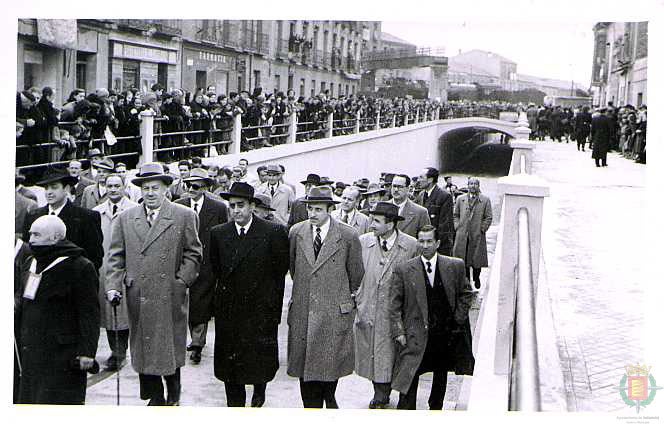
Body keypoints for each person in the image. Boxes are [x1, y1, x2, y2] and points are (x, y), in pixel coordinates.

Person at [105, 162, 203, 406]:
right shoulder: (126, 218)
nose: (150, 193)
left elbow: (194, 253)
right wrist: (113, 286)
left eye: (155, 188)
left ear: (166, 189)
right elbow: (116, 256)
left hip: (169, 293)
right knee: (142, 344)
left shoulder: (184, 216)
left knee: (168, 344)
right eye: (145, 188)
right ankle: (154, 395)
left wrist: (181, 281)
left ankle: (173, 391)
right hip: (138, 293)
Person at [210, 182, 289, 407]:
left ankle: (259, 390)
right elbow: (217, 270)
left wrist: (272, 310)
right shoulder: (219, 233)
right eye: (232, 206)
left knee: (257, 363)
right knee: (231, 369)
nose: (236, 210)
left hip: (259, 310)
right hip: (230, 311)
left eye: (241, 205)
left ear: (252, 206)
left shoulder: (272, 232)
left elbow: (279, 273)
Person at [288, 186, 365, 408]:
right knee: (305, 368)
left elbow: (356, 274)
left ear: (330, 209)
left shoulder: (347, 235)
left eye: (318, 209)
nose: (312, 214)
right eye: (310, 208)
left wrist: (339, 297)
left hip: (333, 311)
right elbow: (295, 270)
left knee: (329, 369)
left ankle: (329, 403)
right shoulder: (297, 232)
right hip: (304, 309)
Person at [15, 215, 100, 404]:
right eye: (30, 234)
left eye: (37, 235)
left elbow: (89, 313)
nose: (31, 240)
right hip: (31, 351)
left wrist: (87, 352)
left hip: (62, 355)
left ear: (55, 238)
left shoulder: (80, 266)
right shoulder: (31, 262)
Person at [389, 225, 474, 410]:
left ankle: (436, 407)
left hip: (442, 333)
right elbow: (394, 304)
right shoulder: (404, 269)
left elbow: (466, 293)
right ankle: (406, 409)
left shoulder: (454, 266)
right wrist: (399, 331)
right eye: (421, 241)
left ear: (437, 243)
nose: (425, 245)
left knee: (441, 372)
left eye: (429, 241)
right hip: (414, 333)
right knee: (410, 373)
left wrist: (457, 319)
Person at [354, 202, 418, 408]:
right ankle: (380, 394)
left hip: (397, 311)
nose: (371, 224)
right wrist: (359, 299)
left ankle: (393, 392)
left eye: (377, 221)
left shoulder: (410, 245)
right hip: (370, 307)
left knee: (395, 353)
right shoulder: (364, 242)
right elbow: (355, 272)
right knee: (374, 353)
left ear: (390, 225)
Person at [174, 168, 228, 364]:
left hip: (207, 262)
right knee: (187, 301)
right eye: (188, 185)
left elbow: (224, 236)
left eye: (195, 186)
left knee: (202, 301)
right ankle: (194, 338)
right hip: (184, 261)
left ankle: (197, 342)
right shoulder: (178, 206)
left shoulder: (219, 208)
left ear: (205, 187)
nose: (191, 189)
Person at [92, 174, 137, 371]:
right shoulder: (97, 212)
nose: (112, 189)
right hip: (104, 267)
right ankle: (115, 351)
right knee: (108, 312)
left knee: (124, 310)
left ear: (124, 186)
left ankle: (122, 351)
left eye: (116, 185)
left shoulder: (135, 210)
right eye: (108, 185)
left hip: (127, 266)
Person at [23, 168, 104, 272]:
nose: (49, 192)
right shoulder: (33, 216)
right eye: (46, 188)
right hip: (41, 281)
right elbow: (27, 252)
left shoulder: (86, 217)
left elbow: (95, 257)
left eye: (54, 187)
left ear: (66, 189)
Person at [452, 178, 493, 290]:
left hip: (477, 234)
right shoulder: (460, 199)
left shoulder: (485, 200)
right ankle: (466, 281)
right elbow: (455, 215)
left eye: (475, 184)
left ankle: (476, 277)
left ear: (478, 186)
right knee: (462, 258)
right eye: (471, 184)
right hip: (462, 233)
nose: (473, 186)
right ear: (468, 185)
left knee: (476, 259)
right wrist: (457, 226)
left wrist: (482, 229)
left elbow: (488, 217)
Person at [417, 167, 454, 255]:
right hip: (423, 244)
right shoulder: (421, 195)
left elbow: (445, 226)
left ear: (430, 179)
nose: (418, 180)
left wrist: (433, 244)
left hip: (438, 246)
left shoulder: (444, 196)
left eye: (421, 177)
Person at [391, 174, 431, 238]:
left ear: (408, 188)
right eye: (394, 186)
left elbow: (425, 240)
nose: (396, 189)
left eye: (400, 187)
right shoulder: (379, 208)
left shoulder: (421, 212)